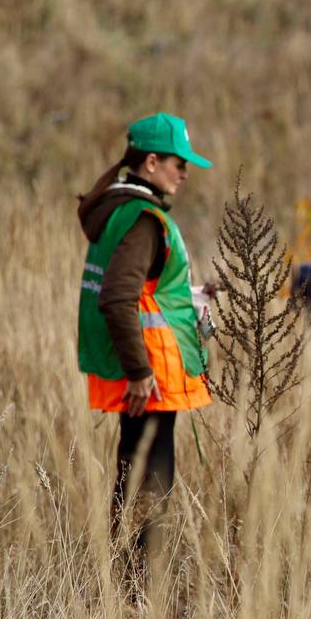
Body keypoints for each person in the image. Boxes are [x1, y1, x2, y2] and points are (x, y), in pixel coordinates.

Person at [76, 112, 213, 553]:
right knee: (153, 482)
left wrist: (191, 294)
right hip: (149, 374)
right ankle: (141, 592)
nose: (185, 174)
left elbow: (144, 291)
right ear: (151, 162)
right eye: (179, 163)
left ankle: (126, 587)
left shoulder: (119, 211)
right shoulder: (143, 219)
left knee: (132, 472)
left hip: (141, 369)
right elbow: (117, 298)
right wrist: (139, 371)